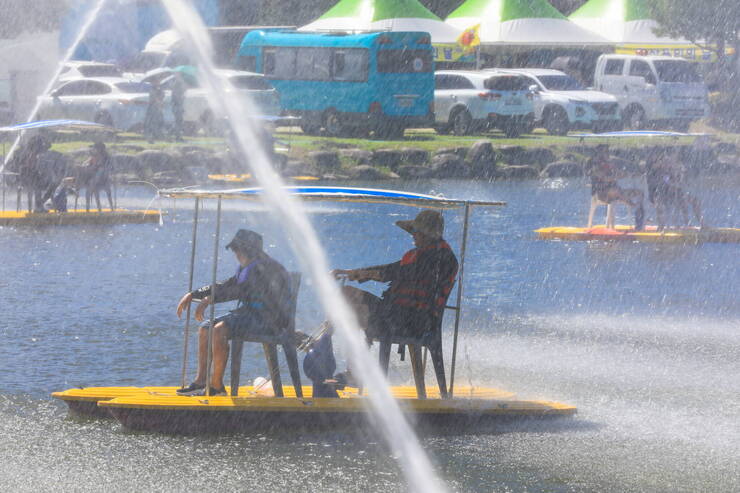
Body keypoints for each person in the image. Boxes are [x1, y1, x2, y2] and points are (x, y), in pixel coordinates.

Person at [176, 229, 292, 396]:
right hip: (251, 315)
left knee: (219, 330)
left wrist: (209, 300)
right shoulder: (247, 266)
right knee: (205, 328)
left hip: (271, 320)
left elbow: (239, 291)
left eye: (237, 249)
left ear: (248, 249)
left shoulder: (264, 267)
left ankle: (216, 386)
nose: (235, 254)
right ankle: (201, 380)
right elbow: (227, 284)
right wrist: (195, 294)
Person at [332, 210, 459, 342]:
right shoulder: (424, 254)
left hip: (412, 323)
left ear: (427, 234)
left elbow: (393, 273)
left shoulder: (439, 258)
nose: (413, 235)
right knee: (346, 294)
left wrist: (359, 274)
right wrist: (351, 272)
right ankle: (329, 340)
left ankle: (339, 348)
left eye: (417, 231)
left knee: (352, 304)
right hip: (400, 315)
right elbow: (391, 268)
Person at [586, 144, 645, 230]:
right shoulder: (594, 166)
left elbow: (618, 173)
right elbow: (605, 178)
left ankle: (639, 217)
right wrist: (616, 176)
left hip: (616, 192)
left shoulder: (609, 164)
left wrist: (629, 174)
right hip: (601, 194)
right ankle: (633, 205)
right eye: (605, 151)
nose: (607, 153)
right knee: (615, 191)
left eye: (607, 151)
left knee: (639, 193)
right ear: (599, 153)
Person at [646, 147, 704, 230]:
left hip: (674, 194)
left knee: (694, 201)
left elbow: (680, 183)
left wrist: (679, 174)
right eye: (666, 161)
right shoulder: (659, 169)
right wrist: (671, 182)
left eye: (671, 161)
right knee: (660, 204)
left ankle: (699, 224)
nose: (668, 163)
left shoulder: (676, 169)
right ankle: (661, 227)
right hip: (660, 194)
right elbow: (664, 181)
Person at [79, 142, 114, 212]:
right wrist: (86, 165)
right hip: (94, 178)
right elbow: (86, 163)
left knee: (91, 187)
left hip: (103, 179)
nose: (93, 149)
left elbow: (99, 167)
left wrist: (91, 167)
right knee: (90, 186)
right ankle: (92, 209)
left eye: (95, 148)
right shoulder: (94, 156)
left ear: (99, 149)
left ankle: (91, 209)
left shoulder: (105, 158)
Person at [144, 79, 165, 143]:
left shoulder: (159, 89)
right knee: (152, 123)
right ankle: (150, 138)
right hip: (153, 108)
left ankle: (155, 136)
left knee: (157, 123)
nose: (158, 83)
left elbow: (162, 97)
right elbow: (154, 98)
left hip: (157, 108)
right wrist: (159, 102)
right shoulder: (153, 89)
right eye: (156, 82)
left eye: (158, 82)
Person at [170, 73, 186, 142]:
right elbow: (177, 97)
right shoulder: (177, 84)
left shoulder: (178, 84)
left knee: (178, 122)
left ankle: (177, 136)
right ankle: (177, 137)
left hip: (178, 106)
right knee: (178, 122)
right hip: (177, 106)